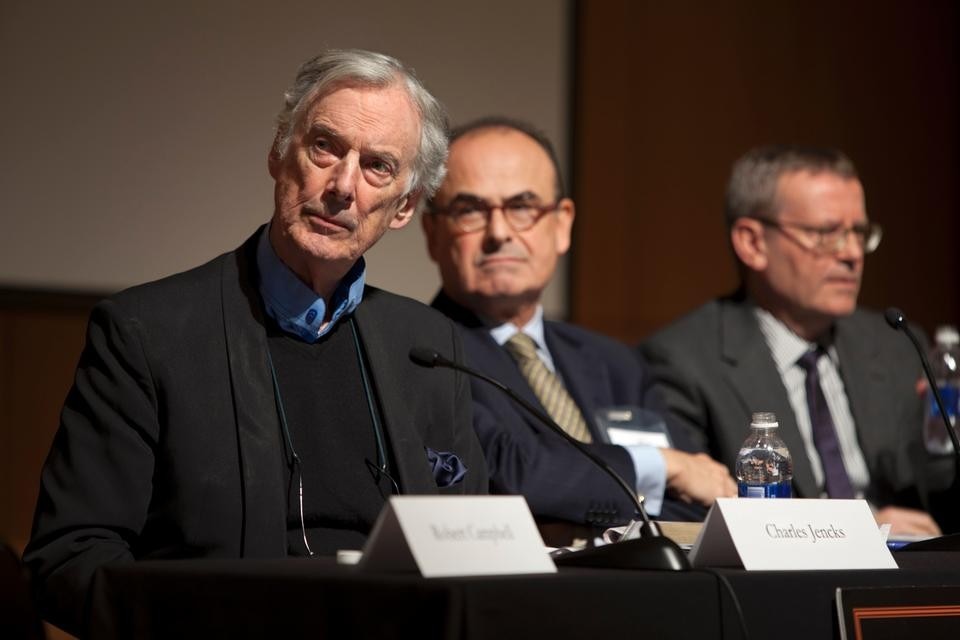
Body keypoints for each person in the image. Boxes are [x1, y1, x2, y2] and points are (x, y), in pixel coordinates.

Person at [23, 49, 487, 635]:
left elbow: (472, 560)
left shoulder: (428, 345)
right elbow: (69, 558)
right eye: (325, 146)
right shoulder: (147, 333)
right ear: (278, 153)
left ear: (404, 207)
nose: (343, 186)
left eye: (377, 167)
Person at [421, 117, 735, 533]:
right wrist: (661, 469)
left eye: (521, 207)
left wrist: (653, 483)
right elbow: (510, 477)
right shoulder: (425, 353)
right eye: (470, 210)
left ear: (562, 224)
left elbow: (702, 499)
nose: (498, 233)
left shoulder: (612, 362)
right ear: (432, 233)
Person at [640, 145, 943, 535]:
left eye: (859, 233)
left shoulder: (896, 343)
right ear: (752, 243)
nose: (852, 253)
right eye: (825, 234)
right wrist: (858, 528)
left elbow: (937, 493)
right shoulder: (683, 361)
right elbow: (697, 519)